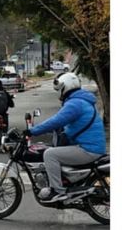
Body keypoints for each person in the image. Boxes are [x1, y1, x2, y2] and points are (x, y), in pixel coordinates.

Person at [24, 72, 106, 203]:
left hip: (88, 149)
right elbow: (67, 126)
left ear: (66, 87)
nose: (59, 93)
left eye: (60, 90)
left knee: (50, 154)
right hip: (92, 146)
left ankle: (57, 191)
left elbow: (56, 121)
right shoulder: (82, 101)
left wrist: (32, 131)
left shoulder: (75, 104)